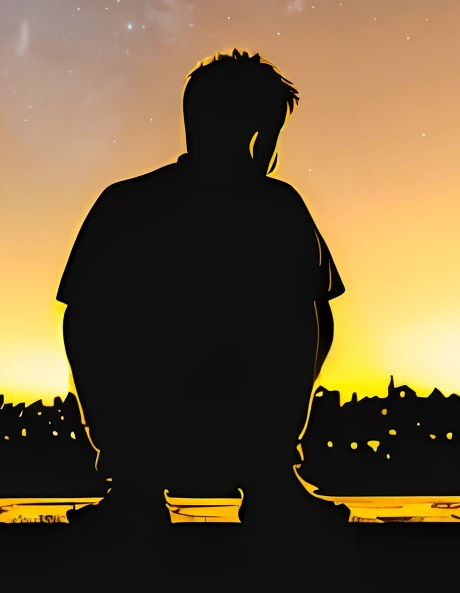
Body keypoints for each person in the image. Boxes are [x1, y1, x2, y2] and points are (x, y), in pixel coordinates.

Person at [59, 49, 348, 531]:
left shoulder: (124, 203)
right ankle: (271, 479)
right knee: (310, 308)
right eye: (269, 130)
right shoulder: (278, 211)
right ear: (255, 131)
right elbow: (314, 321)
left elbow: (82, 326)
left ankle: (136, 485)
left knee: (90, 316)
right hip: (236, 425)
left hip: (148, 428)